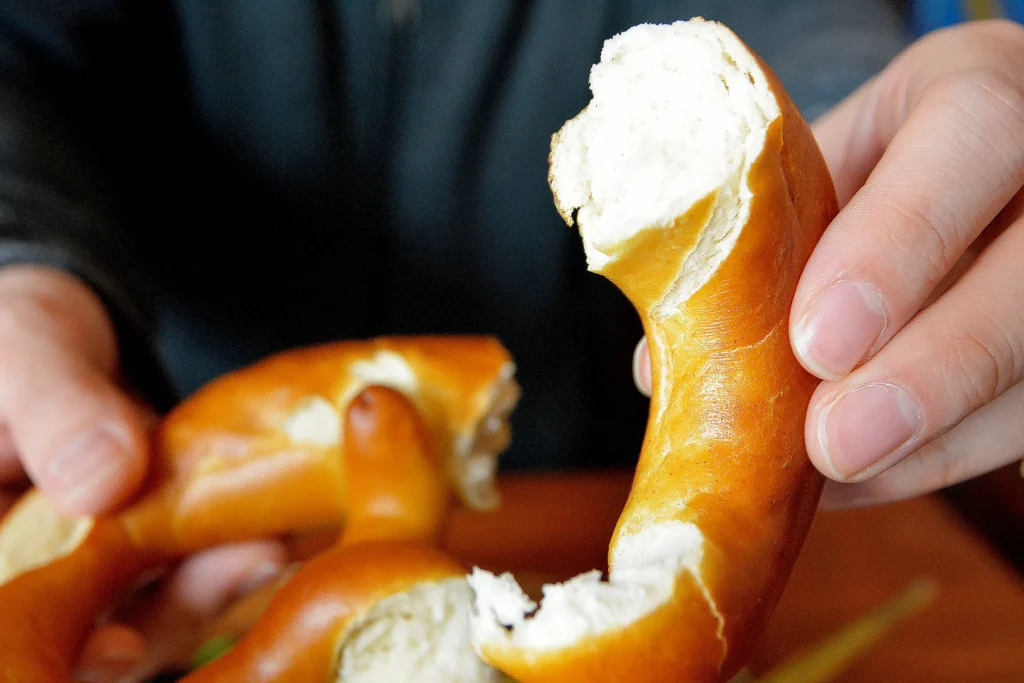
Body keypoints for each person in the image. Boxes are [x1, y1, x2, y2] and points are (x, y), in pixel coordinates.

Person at [0, 1, 1020, 680]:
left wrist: (877, 173)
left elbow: (799, 30)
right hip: (125, 427)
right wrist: (24, 263)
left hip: (604, 479)